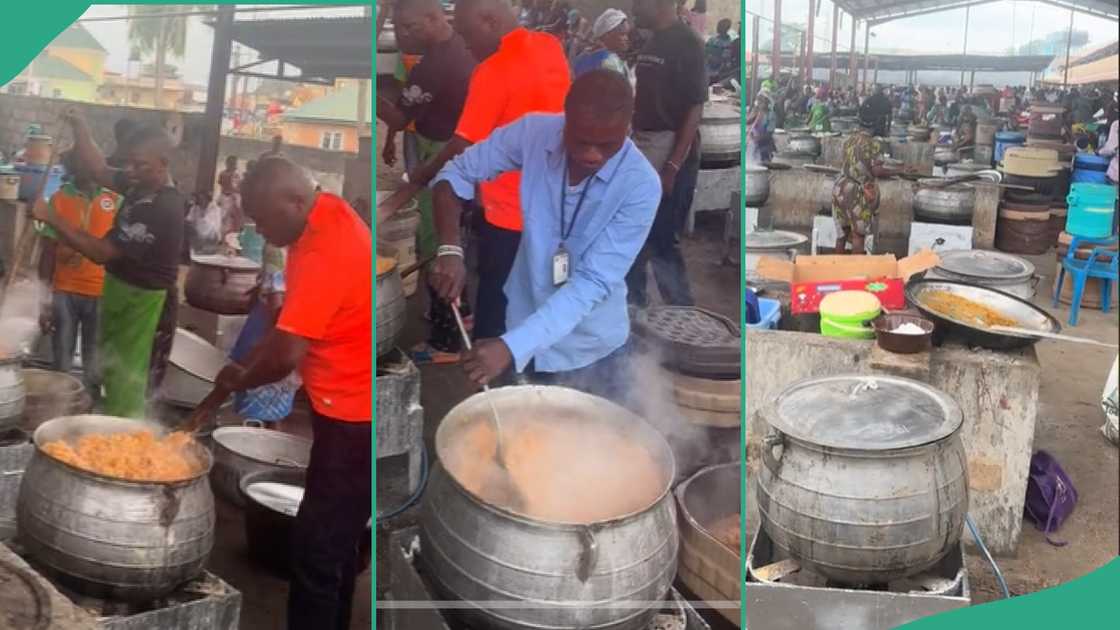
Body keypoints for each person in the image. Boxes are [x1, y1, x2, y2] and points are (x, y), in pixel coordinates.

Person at [188, 158, 371, 630]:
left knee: (315, 550)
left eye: (265, 220)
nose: (261, 232)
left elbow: (287, 353)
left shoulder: (324, 249)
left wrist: (240, 378)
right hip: (351, 405)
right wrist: (247, 364)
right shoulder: (322, 211)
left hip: (352, 415)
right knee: (341, 542)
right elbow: (292, 326)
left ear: (294, 201)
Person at [429, 70, 659, 400]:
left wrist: (511, 346)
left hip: (592, 349)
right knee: (524, 444)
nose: (592, 154)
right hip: (522, 321)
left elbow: (592, 282)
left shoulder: (641, 185)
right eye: (580, 140)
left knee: (594, 447)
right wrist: (449, 248)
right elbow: (456, 173)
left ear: (629, 124)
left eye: (608, 144)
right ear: (565, 118)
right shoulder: (534, 132)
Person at [379, 0, 570, 343]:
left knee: (497, 312)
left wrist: (418, 177)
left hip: (509, 214)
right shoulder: (550, 47)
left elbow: (461, 145)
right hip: (556, 208)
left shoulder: (494, 70)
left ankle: (499, 382)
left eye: (467, 35)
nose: (466, 45)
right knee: (542, 303)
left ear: (489, 20)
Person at [33, 114, 183, 418]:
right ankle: (110, 430)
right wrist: (81, 128)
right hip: (118, 292)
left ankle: (126, 448)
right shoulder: (139, 182)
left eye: (139, 165)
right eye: (128, 163)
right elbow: (100, 168)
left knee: (130, 385)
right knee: (111, 375)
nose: (130, 172)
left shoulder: (161, 206)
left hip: (145, 304)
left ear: (163, 163)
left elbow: (102, 252)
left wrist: (51, 217)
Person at [377, 0, 478, 364]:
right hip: (451, 147)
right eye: (399, 28)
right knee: (448, 239)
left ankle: (446, 342)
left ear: (436, 19)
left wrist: (366, 90)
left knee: (439, 244)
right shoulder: (453, 49)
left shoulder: (436, 66)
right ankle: (458, 311)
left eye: (410, 28)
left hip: (444, 154)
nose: (403, 37)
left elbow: (400, 116)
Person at [626, 0, 706, 308]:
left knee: (661, 241)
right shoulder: (651, 40)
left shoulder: (688, 44)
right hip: (645, 147)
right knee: (635, 239)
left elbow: (694, 107)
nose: (634, 8)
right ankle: (635, 317)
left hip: (671, 153)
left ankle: (683, 318)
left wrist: (672, 167)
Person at [36, 150, 122, 400]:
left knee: (93, 363)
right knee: (62, 360)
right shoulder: (59, 200)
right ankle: (58, 407)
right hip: (65, 291)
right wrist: (44, 300)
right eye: (82, 162)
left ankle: (89, 409)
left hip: (102, 291)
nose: (89, 167)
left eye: (92, 162)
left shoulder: (115, 200)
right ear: (72, 167)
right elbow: (48, 252)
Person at [831, 103, 901, 255]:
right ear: (875, 124)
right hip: (855, 193)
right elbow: (876, 170)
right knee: (858, 235)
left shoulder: (849, 140)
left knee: (842, 234)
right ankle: (855, 274)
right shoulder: (874, 144)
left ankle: (835, 269)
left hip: (840, 188)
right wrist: (898, 171)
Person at [571, 8, 631, 82]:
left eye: (627, 34)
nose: (626, 38)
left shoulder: (581, 57)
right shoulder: (611, 63)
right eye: (622, 34)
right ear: (607, 34)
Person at [217, 155, 243, 236]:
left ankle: (231, 236)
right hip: (226, 197)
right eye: (231, 163)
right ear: (227, 163)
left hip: (233, 197)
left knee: (233, 218)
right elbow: (223, 184)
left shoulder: (237, 174)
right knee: (224, 219)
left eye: (234, 163)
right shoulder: (224, 173)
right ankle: (223, 236)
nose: (233, 165)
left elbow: (236, 187)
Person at [746, 94, 775, 164]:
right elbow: (747, 122)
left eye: (762, 102)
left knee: (763, 158)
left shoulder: (770, 115)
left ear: (767, 103)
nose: (760, 104)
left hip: (765, 143)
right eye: (759, 102)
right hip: (754, 141)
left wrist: (757, 138)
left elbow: (769, 133)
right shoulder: (757, 112)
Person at [704, 18, 735, 84]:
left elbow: (705, 53)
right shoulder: (728, 43)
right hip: (718, 74)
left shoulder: (712, 39)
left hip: (710, 72)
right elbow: (726, 60)